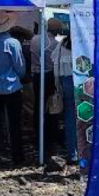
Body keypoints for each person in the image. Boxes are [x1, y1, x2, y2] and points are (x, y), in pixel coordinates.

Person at [0, 12, 26, 165]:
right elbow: (20, 67)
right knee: (15, 123)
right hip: (12, 87)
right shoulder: (12, 43)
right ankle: (17, 156)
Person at [30, 18, 63, 157]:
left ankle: (39, 138)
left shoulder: (35, 40)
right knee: (52, 109)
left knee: (39, 107)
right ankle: (50, 139)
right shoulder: (57, 44)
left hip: (36, 76)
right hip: (49, 76)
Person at [54, 31, 79, 164]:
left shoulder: (63, 44)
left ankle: (72, 152)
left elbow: (55, 64)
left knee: (69, 118)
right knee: (87, 116)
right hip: (83, 80)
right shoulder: (86, 40)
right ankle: (87, 150)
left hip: (66, 81)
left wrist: (57, 85)